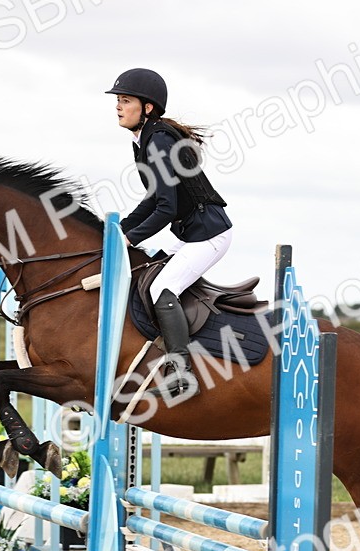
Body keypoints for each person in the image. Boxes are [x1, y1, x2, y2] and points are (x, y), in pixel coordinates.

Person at [105, 68, 232, 398]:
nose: (118, 106)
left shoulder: (158, 139)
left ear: (147, 108)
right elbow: (153, 200)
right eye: (117, 100)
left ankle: (182, 373)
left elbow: (167, 207)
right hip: (193, 234)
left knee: (162, 288)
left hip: (209, 235)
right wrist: (117, 232)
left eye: (126, 100)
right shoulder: (145, 139)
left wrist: (130, 238)